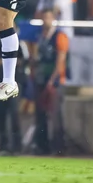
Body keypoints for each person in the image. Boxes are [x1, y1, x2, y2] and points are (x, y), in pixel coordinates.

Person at [33, 8, 69, 156]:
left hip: (54, 81)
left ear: (53, 19)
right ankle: (42, 146)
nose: (45, 20)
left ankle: (59, 148)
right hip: (41, 77)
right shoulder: (41, 36)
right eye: (43, 18)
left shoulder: (59, 36)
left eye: (48, 17)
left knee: (55, 115)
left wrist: (53, 79)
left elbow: (61, 59)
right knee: (40, 114)